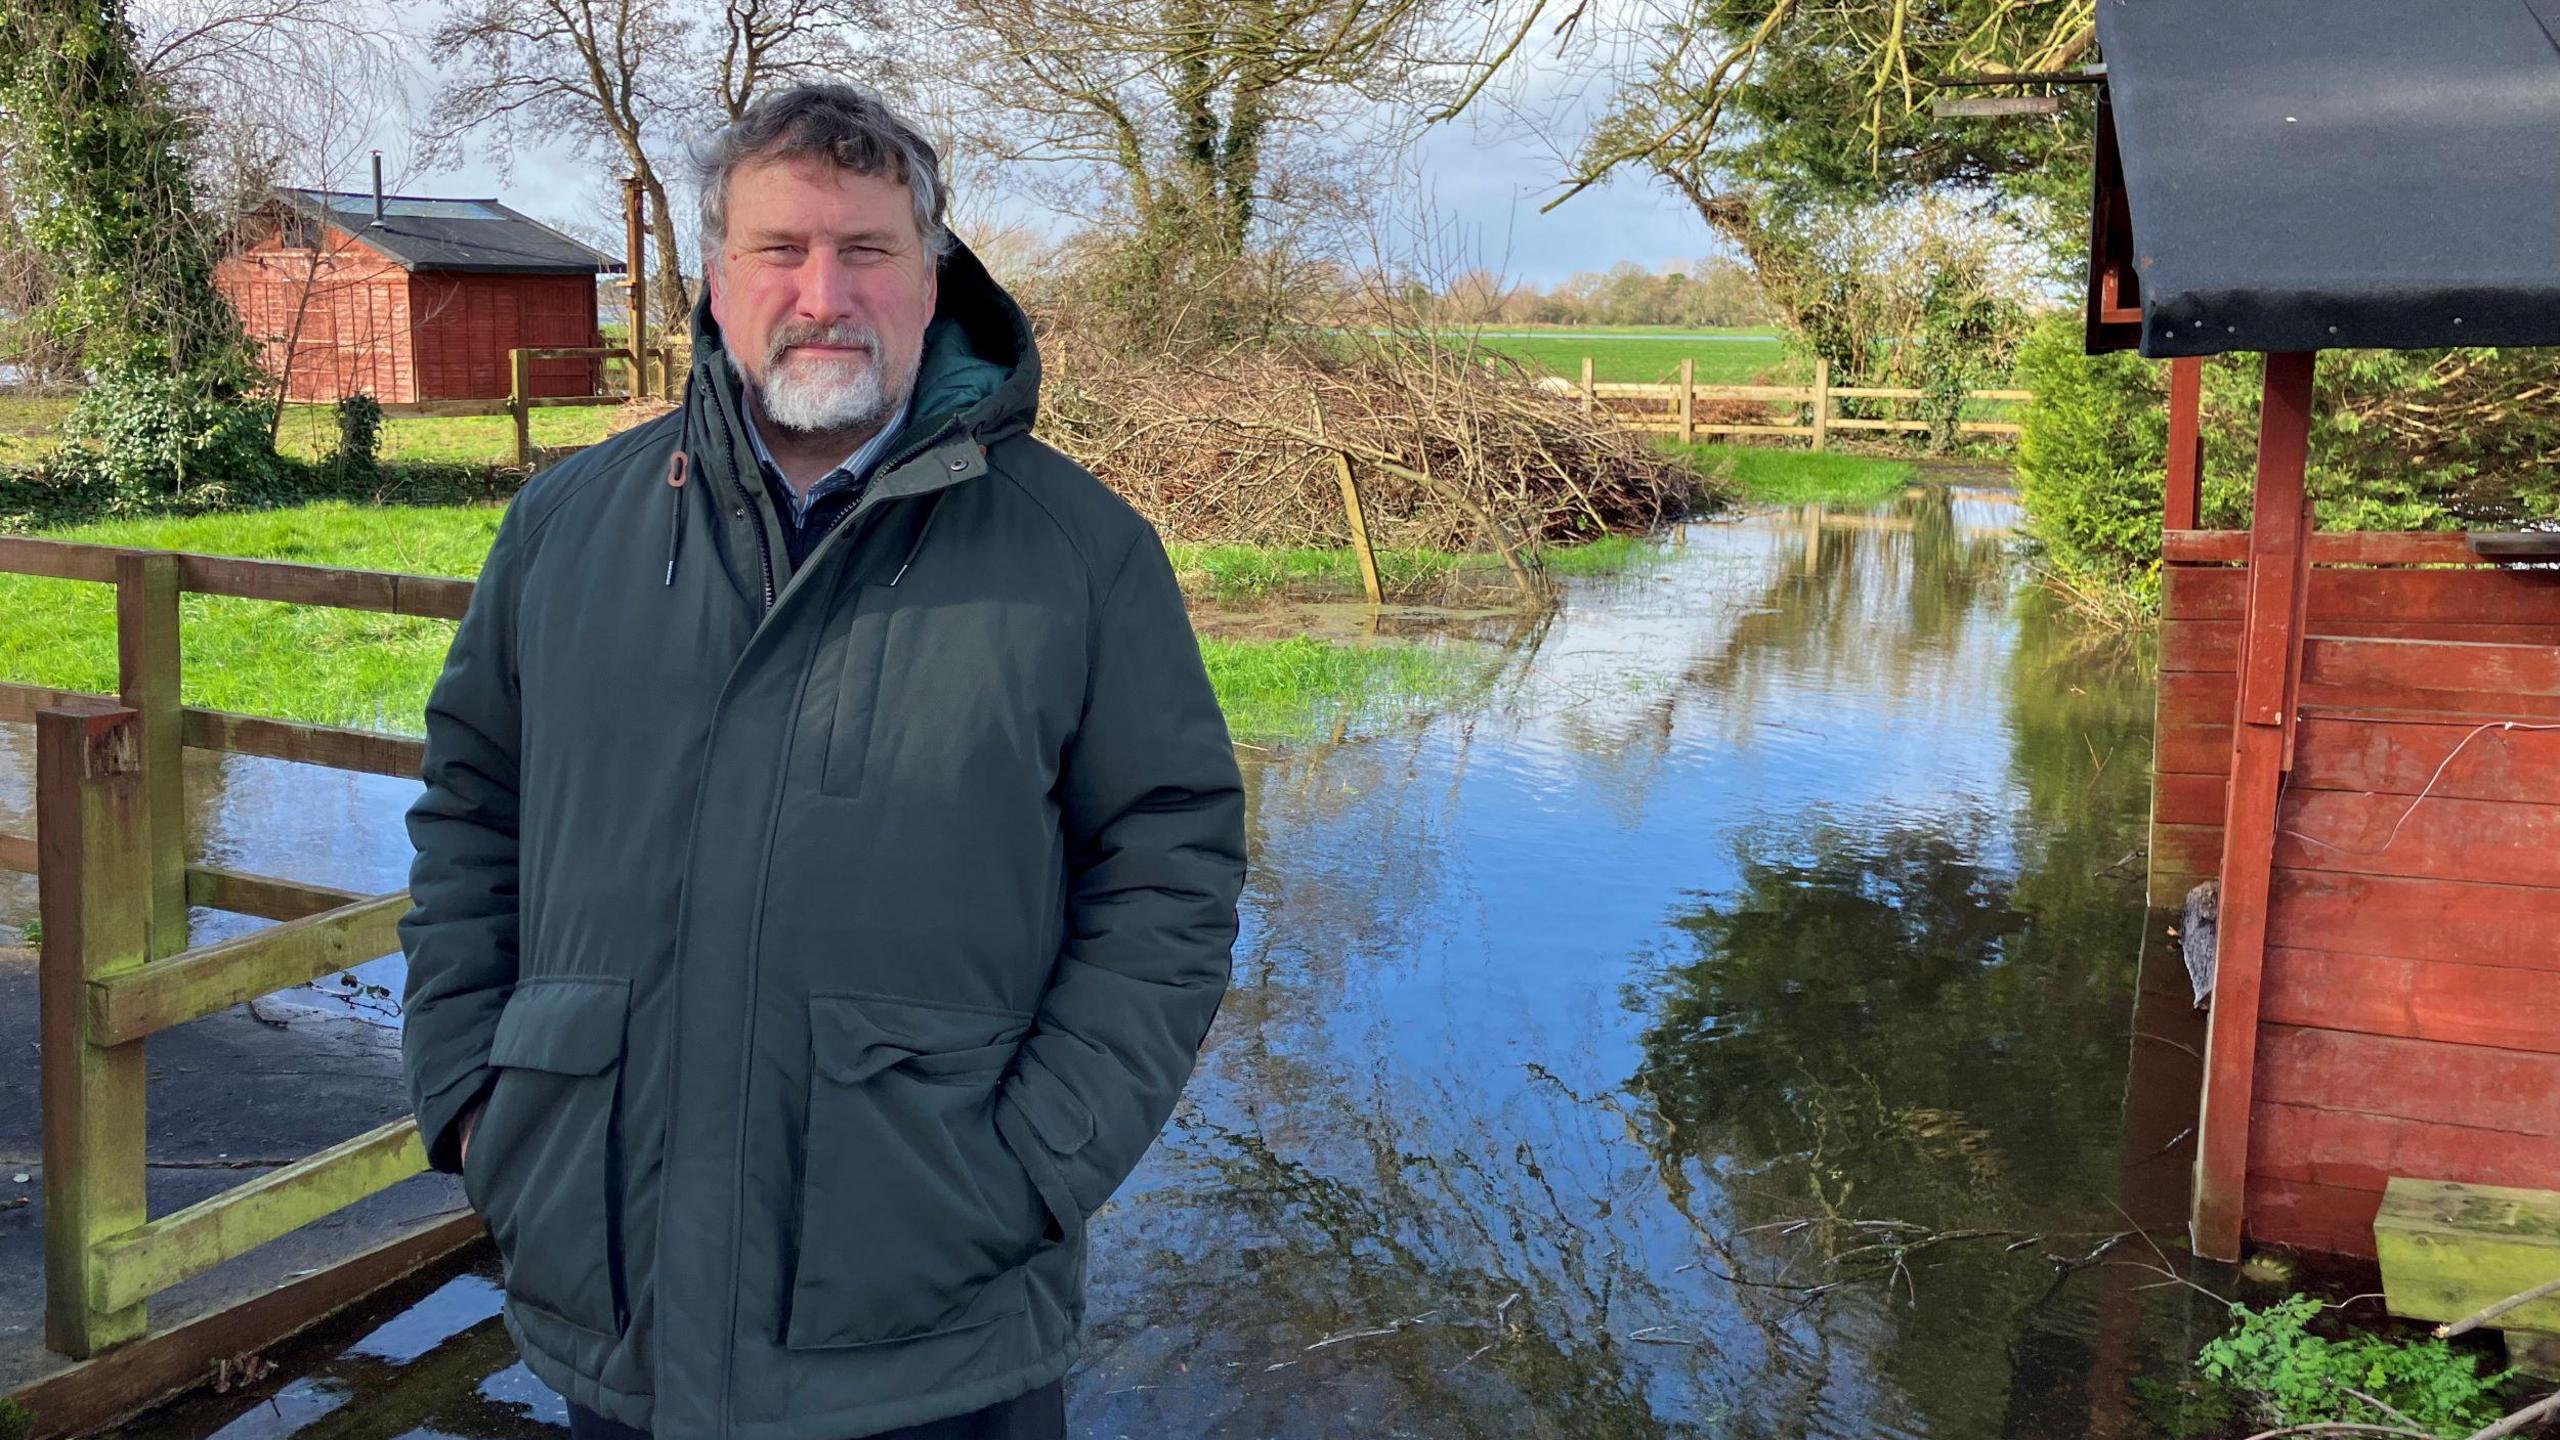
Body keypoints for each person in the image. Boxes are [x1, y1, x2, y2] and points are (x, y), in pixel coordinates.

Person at [398, 83, 1247, 1440]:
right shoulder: (566, 530)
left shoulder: (1079, 556)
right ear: (717, 283)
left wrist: (1034, 1166)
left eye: (867, 251)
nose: (823, 291)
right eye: (779, 251)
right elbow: (471, 813)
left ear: (932, 279)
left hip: (933, 1323)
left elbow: (1171, 873)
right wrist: (471, 1097)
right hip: (622, 1300)